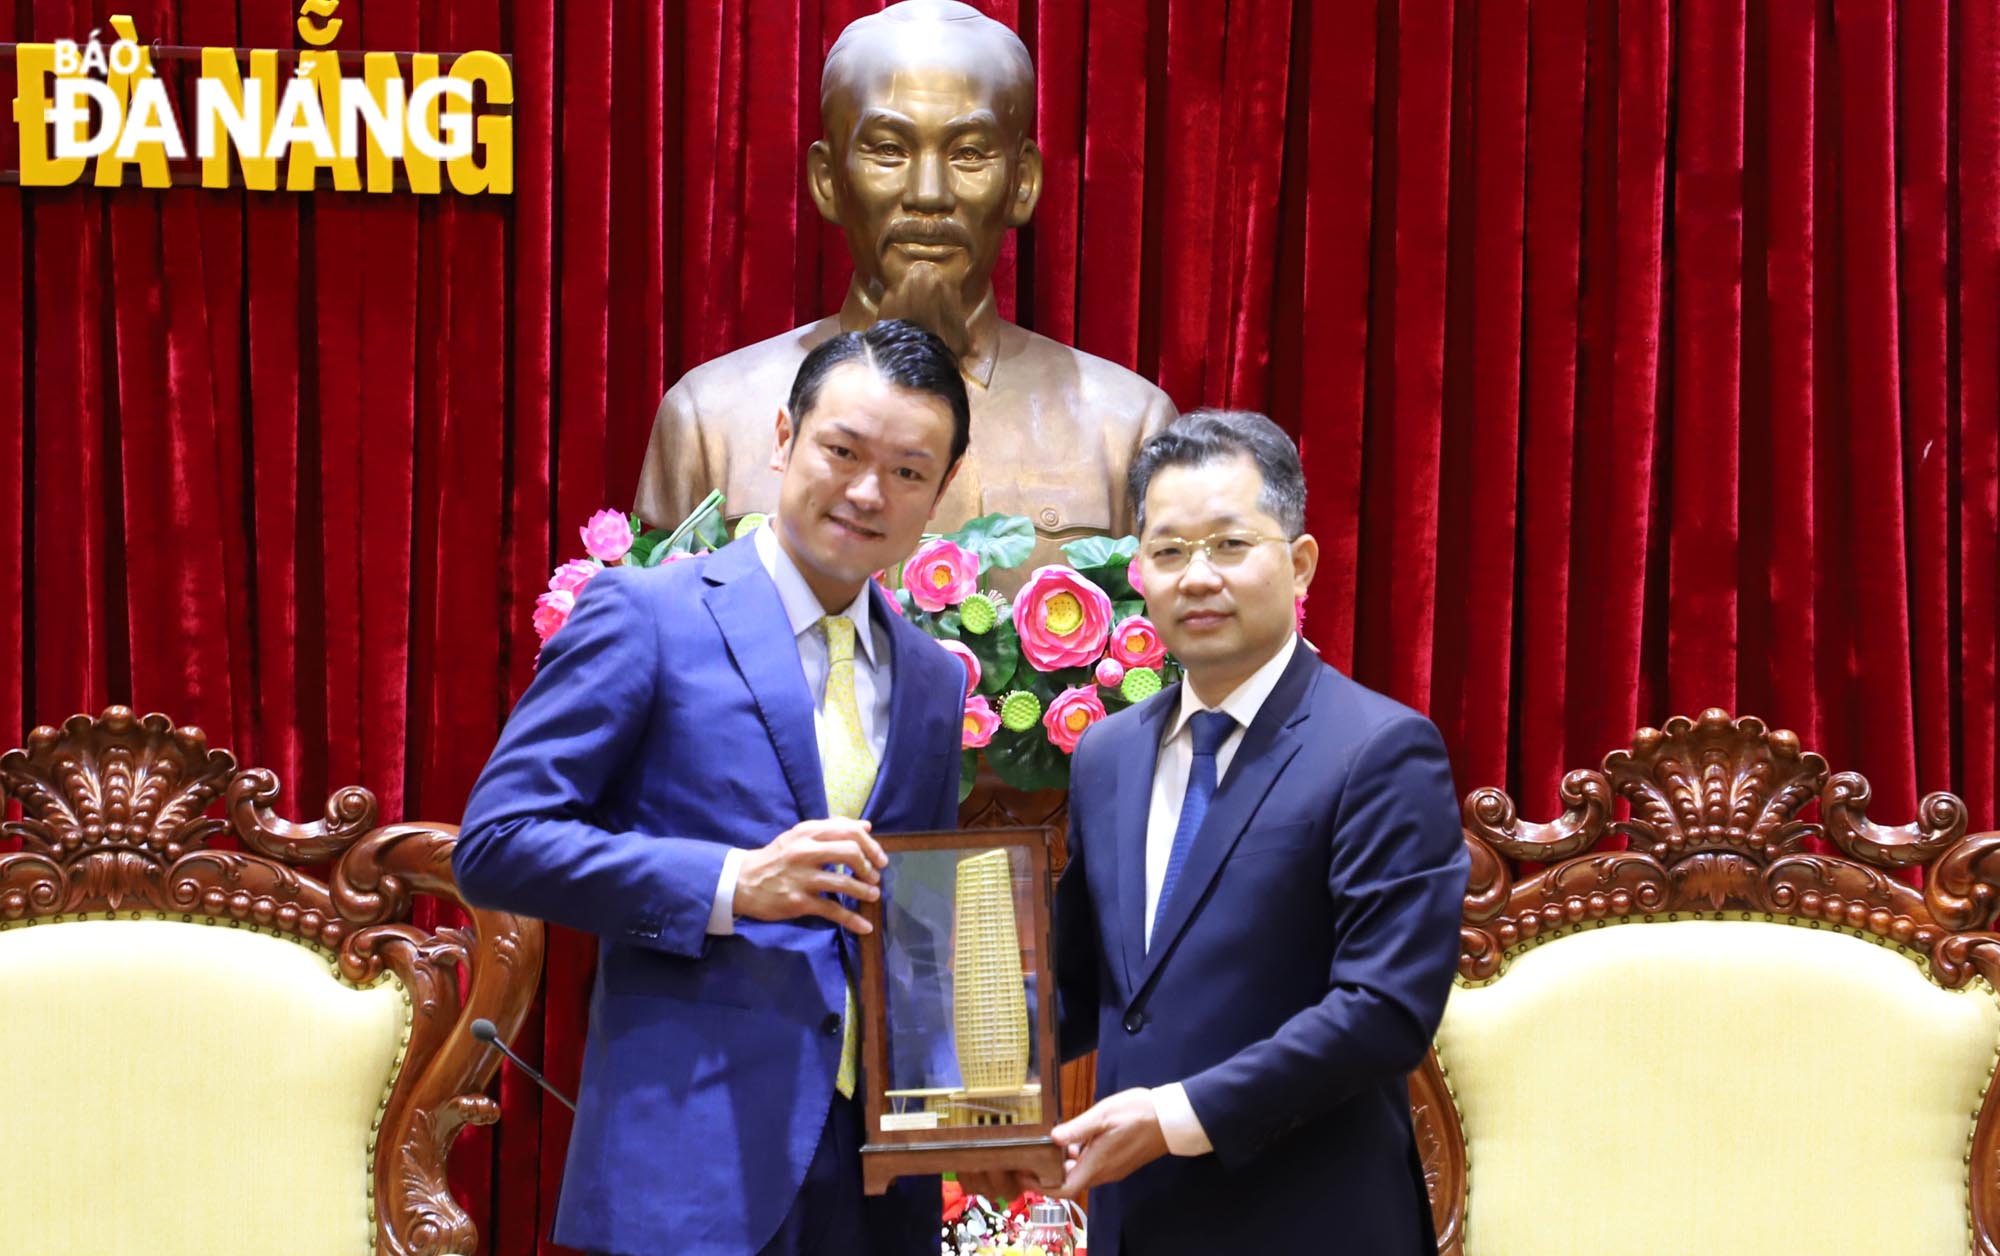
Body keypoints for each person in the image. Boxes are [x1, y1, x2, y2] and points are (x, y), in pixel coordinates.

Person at [454, 319, 974, 1256]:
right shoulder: (646, 615)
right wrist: (733, 885)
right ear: (782, 440)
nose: (866, 492)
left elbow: (919, 923)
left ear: (938, 496)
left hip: (879, 1186)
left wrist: (975, 1112)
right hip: (692, 1170)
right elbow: (496, 844)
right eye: (842, 450)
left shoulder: (937, 679)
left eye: (907, 471)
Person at [1042, 410, 1470, 1255]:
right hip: (1135, 1221)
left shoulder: (1379, 750)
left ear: (1300, 563)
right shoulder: (1108, 753)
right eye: (1168, 552)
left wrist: (1175, 1116)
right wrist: (952, 1083)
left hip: (1310, 1219)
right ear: (1140, 574)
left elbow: (1383, 1009)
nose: (1196, 577)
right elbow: (1081, 984)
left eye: (1230, 545)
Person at [635, 0, 1174, 580]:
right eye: (888, 150)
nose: (929, 193)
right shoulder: (710, 420)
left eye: (969, 153)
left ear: (1022, 183)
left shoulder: (1126, 428)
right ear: (827, 181)